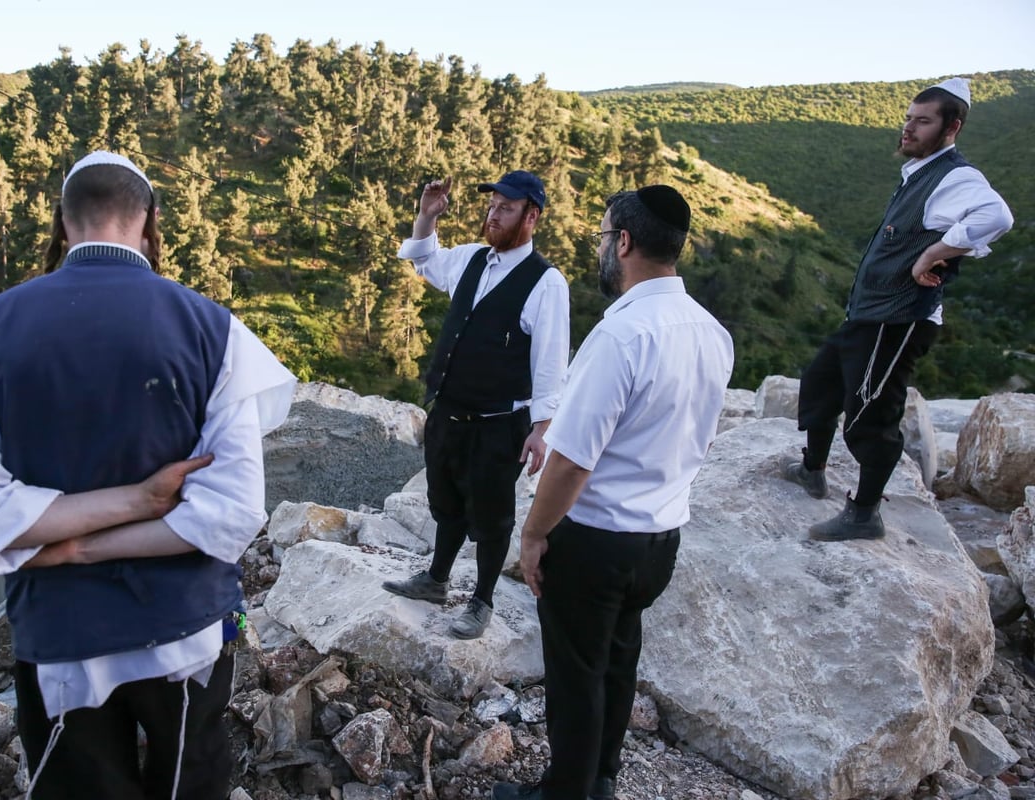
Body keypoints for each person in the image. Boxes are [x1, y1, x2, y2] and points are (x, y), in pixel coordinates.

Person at [0, 151, 297, 800]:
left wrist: (75, 543)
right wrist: (134, 507)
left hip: (61, 639)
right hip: (187, 632)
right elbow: (231, 510)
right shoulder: (214, 331)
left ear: (64, 223)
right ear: (148, 222)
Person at [492, 186, 733, 800]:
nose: (602, 248)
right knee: (618, 663)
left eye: (603, 237)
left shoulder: (621, 335)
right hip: (660, 539)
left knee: (575, 676)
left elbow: (572, 460)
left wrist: (535, 533)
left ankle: (564, 793)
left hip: (596, 539)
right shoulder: (711, 332)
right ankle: (601, 779)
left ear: (623, 243)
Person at [781, 77, 1013, 541]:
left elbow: (998, 216)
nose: (908, 128)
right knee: (821, 384)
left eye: (922, 121)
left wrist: (933, 254)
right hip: (868, 315)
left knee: (870, 416)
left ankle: (863, 514)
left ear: (953, 127)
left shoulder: (956, 176)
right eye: (908, 118)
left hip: (898, 320)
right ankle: (813, 468)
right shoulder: (918, 173)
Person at [381, 171, 570, 639]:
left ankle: (482, 600)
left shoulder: (546, 283)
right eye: (492, 205)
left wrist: (542, 429)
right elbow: (423, 259)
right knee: (444, 500)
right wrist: (427, 215)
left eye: (506, 208)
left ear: (532, 216)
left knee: (490, 515)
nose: (494, 214)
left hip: (499, 421)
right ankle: (436, 580)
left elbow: (550, 363)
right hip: (448, 410)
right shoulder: (470, 259)